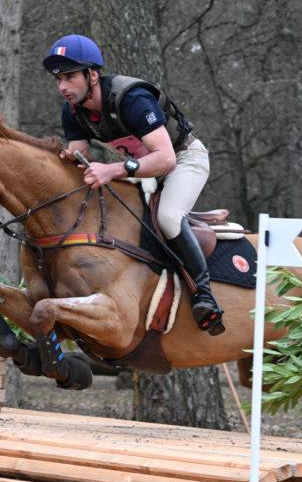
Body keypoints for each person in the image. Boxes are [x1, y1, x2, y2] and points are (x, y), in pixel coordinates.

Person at [42, 34, 224, 335]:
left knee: (167, 216)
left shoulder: (132, 99)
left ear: (93, 75)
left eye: (70, 76)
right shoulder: (72, 110)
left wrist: (113, 169)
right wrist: (61, 160)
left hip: (183, 160)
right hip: (141, 168)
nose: (62, 86)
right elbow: (79, 152)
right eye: (58, 78)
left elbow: (165, 159)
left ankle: (204, 292)